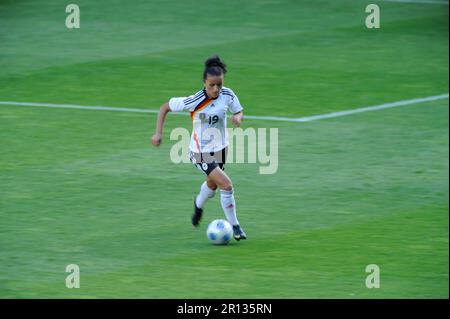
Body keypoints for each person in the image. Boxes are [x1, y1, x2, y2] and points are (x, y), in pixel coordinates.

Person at [151, 55, 247, 241]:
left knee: (212, 186)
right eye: (212, 85)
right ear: (204, 82)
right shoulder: (194, 100)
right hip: (200, 152)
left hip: (221, 149)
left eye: (219, 84)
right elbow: (164, 107)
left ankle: (198, 204)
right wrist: (158, 133)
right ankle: (235, 227)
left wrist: (238, 118)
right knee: (226, 185)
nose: (216, 89)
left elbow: (238, 110)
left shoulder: (227, 94)